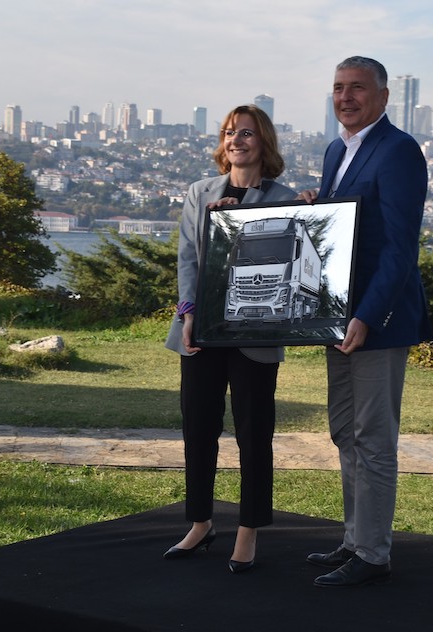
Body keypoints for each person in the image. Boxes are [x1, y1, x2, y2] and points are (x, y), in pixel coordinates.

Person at [299, 56, 431, 587]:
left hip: (377, 321)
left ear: (382, 97)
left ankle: (373, 555)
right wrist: (317, 203)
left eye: (357, 88)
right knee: (344, 432)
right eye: (337, 88)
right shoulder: (337, 150)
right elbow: (345, 229)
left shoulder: (399, 151)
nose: (345, 97)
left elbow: (399, 249)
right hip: (338, 319)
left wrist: (368, 315)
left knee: (373, 437)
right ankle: (354, 540)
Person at [163, 104, 296, 573]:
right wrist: (188, 312)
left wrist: (238, 222)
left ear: (263, 142)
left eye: (246, 133)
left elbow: (287, 258)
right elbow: (188, 260)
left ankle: (248, 531)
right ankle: (200, 523)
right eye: (228, 133)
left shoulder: (285, 198)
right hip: (203, 330)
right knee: (198, 430)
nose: (235, 140)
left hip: (256, 331)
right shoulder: (200, 193)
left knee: (254, 435)